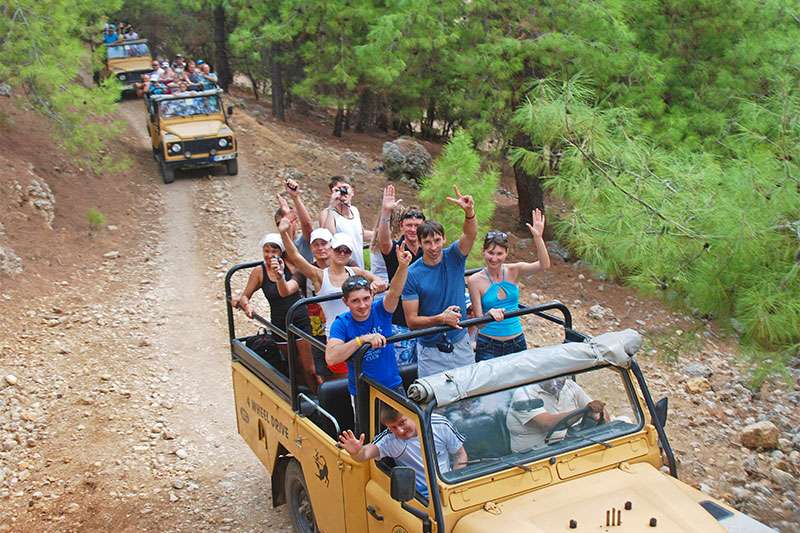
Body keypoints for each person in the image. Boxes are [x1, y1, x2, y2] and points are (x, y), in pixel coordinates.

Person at [278, 220, 386, 371]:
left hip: (361, 329)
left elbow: (378, 279)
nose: (342, 253)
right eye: (338, 250)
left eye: (346, 251)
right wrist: (284, 233)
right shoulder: (320, 276)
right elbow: (296, 257)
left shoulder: (355, 272)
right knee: (345, 380)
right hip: (337, 334)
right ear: (332, 250)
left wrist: (377, 282)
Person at [402, 186, 477, 377]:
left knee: (469, 395)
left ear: (444, 239)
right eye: (427, 242)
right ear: (419, 243)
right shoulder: (411, 274)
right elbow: (411, 321)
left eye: (437, 240)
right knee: (435, 401)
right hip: (431, 351)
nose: (433, 247)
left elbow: (470, 235)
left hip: (461, 343)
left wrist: (469, 213)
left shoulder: (454, 256)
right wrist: (440, 319)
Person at [326, 245, 411, 402]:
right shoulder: (341, 323)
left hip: (392, 386)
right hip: (363, 393)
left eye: (366, 299)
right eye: (355, 301)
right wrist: (362, 340)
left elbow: (395, 292)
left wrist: (403, 266)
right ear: (345, 302)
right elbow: (331, 357)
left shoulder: (380, 310)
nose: (363, 305)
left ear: (372, 295)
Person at [467, 209, 551, 361]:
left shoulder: (514, 270)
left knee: (521, 383)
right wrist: (488, 315)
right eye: (490, 253)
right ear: (483, 252)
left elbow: (544, 265)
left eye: (499, 254)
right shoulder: (475, 280)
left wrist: (538, 237)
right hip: (489, 344)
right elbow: (478, 322)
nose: (494, 258)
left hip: (517, 341)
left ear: (506, 253)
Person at [339, 405, 467, 498]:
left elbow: (460, 454)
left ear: (413, 414)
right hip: (418, 496)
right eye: (393, 427)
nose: (400, 431)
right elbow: (365, 454)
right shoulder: (390, 439)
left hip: (448, 486)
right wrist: (356, 452)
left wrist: (454, 482)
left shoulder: (440, 425)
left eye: (402, 422)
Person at [284, 226, 345, 378]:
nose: (320, 248)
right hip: (317, 328)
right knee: (323, 369)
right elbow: (295, 259)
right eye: (316, 244)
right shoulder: (307, 271)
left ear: (331, 245)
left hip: (342, 324)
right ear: (311, 248)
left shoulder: (346, 266)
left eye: (324, 243)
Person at [377, 184, 426, 365]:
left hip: (425, 322)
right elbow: (383, 241)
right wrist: (385, 212)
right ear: (401, 226)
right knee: (402, 369)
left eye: (417, 226)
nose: (413, 229)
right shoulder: (396, 249)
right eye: (409, 225)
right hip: (399, 323)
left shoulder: (430, 253)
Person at [230, 233, 310, 334]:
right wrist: (247, 306)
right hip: (278, 320)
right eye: (266, 251)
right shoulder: (259, 272)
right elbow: (245, 295)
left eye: (274, 251)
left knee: (304, 349)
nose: (269, 255)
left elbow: (286, 291)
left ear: (281, 252)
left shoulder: (291, 266)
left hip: (299, 317)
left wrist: (279, 275)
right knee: (284, 348)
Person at [506, 377, 607, 453]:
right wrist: (584, 411)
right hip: (531, 457)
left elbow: (596, 410)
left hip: (566, 446)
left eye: (559, 378)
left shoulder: (569, 386)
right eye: (550, 379)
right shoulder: (524, 395)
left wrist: (598, 413)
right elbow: (548, 423)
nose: (555, 384)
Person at [319, 177, 372, 269]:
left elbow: (361, 234)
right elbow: (327, 237)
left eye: (345, 188)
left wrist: (383, 235)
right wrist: (332, 205)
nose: (342, 192)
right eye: (338, 189)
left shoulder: (354, 210)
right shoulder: (327, 213)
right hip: (341, 268)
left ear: (352, 191)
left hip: (359, 267)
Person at [275, 178, 315, 263]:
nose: (284, 224)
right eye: (279, 223)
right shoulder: (275, 246)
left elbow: (307, 225)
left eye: (288, 220)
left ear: (295, 221)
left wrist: (295, 197)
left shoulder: (303, 242)